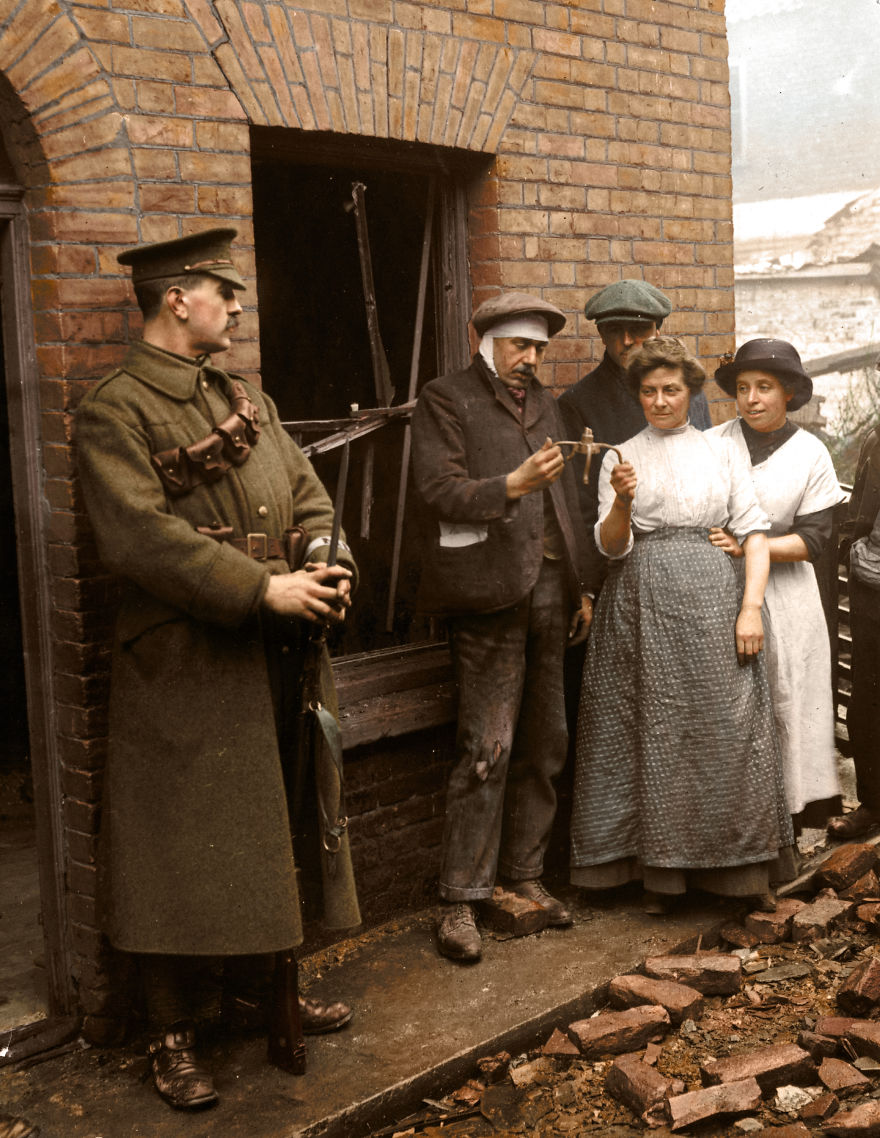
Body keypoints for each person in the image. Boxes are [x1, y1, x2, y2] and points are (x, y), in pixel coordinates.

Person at [75, 228, 361, 1110]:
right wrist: (259, 588)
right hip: (185, 662)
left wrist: (325, 560)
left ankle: (262, 991)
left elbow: (308, 497)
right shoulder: (115, 409)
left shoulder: (251, 401)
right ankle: (172, 1032)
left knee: (269, 822)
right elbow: (138, 539)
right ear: (177, 299)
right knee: (175, 845)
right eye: (224, 292)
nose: (236, 307)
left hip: (274, 657)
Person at [569, 336, 795, 915]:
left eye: (672, 390)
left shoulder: (722, 450)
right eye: (649, 391)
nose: (661, 401)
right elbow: (612, 549)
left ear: (691, 393)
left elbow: (755, 534)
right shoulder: (622, 456)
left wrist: (750, 608)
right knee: (647, 733)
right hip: (640, 608)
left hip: (716, 602)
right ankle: (657, 878)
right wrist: (620, 503)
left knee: (726, 725)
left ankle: (737, 876)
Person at [411, 291, 594, 962]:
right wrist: (511, 484)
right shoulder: (446, 398)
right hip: (488, 593)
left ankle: (523, 876)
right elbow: (436, 489)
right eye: (520, 346)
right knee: (486, 746)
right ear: (484, 342)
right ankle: (459, 899)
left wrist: (581, 588)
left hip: (549, 587)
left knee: (547, 739)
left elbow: (569, 504)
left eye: (539, 348)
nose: (531, 359)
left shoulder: (547, 404)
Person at [709, 339, 843, 829]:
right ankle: (736, 819)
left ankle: (790, 817)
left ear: (788, 393)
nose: (752, 399)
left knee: (789, 695)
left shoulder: (811, 453)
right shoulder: (715, 442)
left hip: (787, 597)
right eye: (743, 388)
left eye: (765, 387)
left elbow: (813, 541)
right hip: (722, 590)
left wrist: (750, 545)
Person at [827, 410, 880, 838]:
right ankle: (873, 804)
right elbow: (860, 506)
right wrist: (858, 546)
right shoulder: (874, 440)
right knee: (867, 698)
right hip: (873, 587)